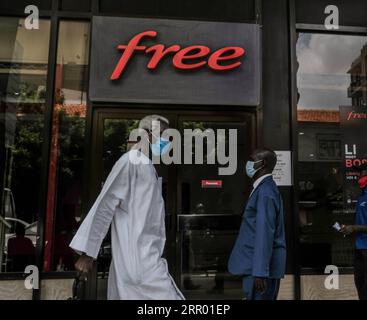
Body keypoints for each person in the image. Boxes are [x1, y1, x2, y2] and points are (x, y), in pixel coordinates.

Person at [69, 115, 184, 300]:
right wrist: (88, 253)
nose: (166, 140)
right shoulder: (130, 161)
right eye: (162, 134)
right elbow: (105, 205)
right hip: (139, 263)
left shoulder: (147, 166)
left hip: (144, 257)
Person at [228, 148, 286, 300]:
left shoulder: (265, 191)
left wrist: (260, 272)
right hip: (256, 267)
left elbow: (264, 233)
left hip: (258, 270)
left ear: (263, 163)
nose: (248, 163)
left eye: (252, 160)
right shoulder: (263, 188)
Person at [340, 163, 367, 300]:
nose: (359, 176)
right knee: (360, 283)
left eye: (362, 173)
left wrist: (354, 228)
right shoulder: (362, 196)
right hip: (360, 247)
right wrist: (349, 228)